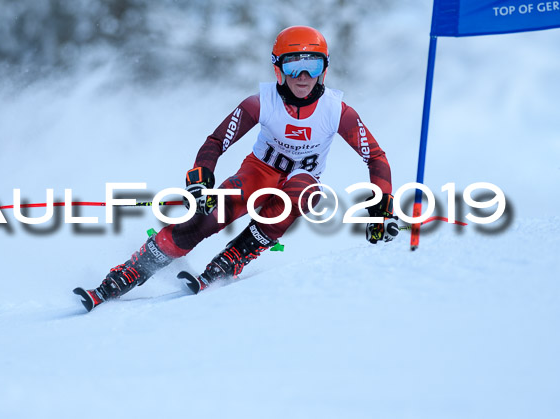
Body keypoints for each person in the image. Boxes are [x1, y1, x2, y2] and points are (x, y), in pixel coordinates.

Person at [75, 26, 399, 311]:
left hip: (301, 183)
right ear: (278, 70)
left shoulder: (337, 111)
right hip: (258, 173)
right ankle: (133, 270)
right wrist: (201, 180)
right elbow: (216, 141)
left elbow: (376, 158)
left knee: (302, 190)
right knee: (205, 219)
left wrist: (380, 209)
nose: (303, 77)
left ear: (324, 71)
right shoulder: (261, 103)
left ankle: (237, 255)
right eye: (294, 65)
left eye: (312, 66)